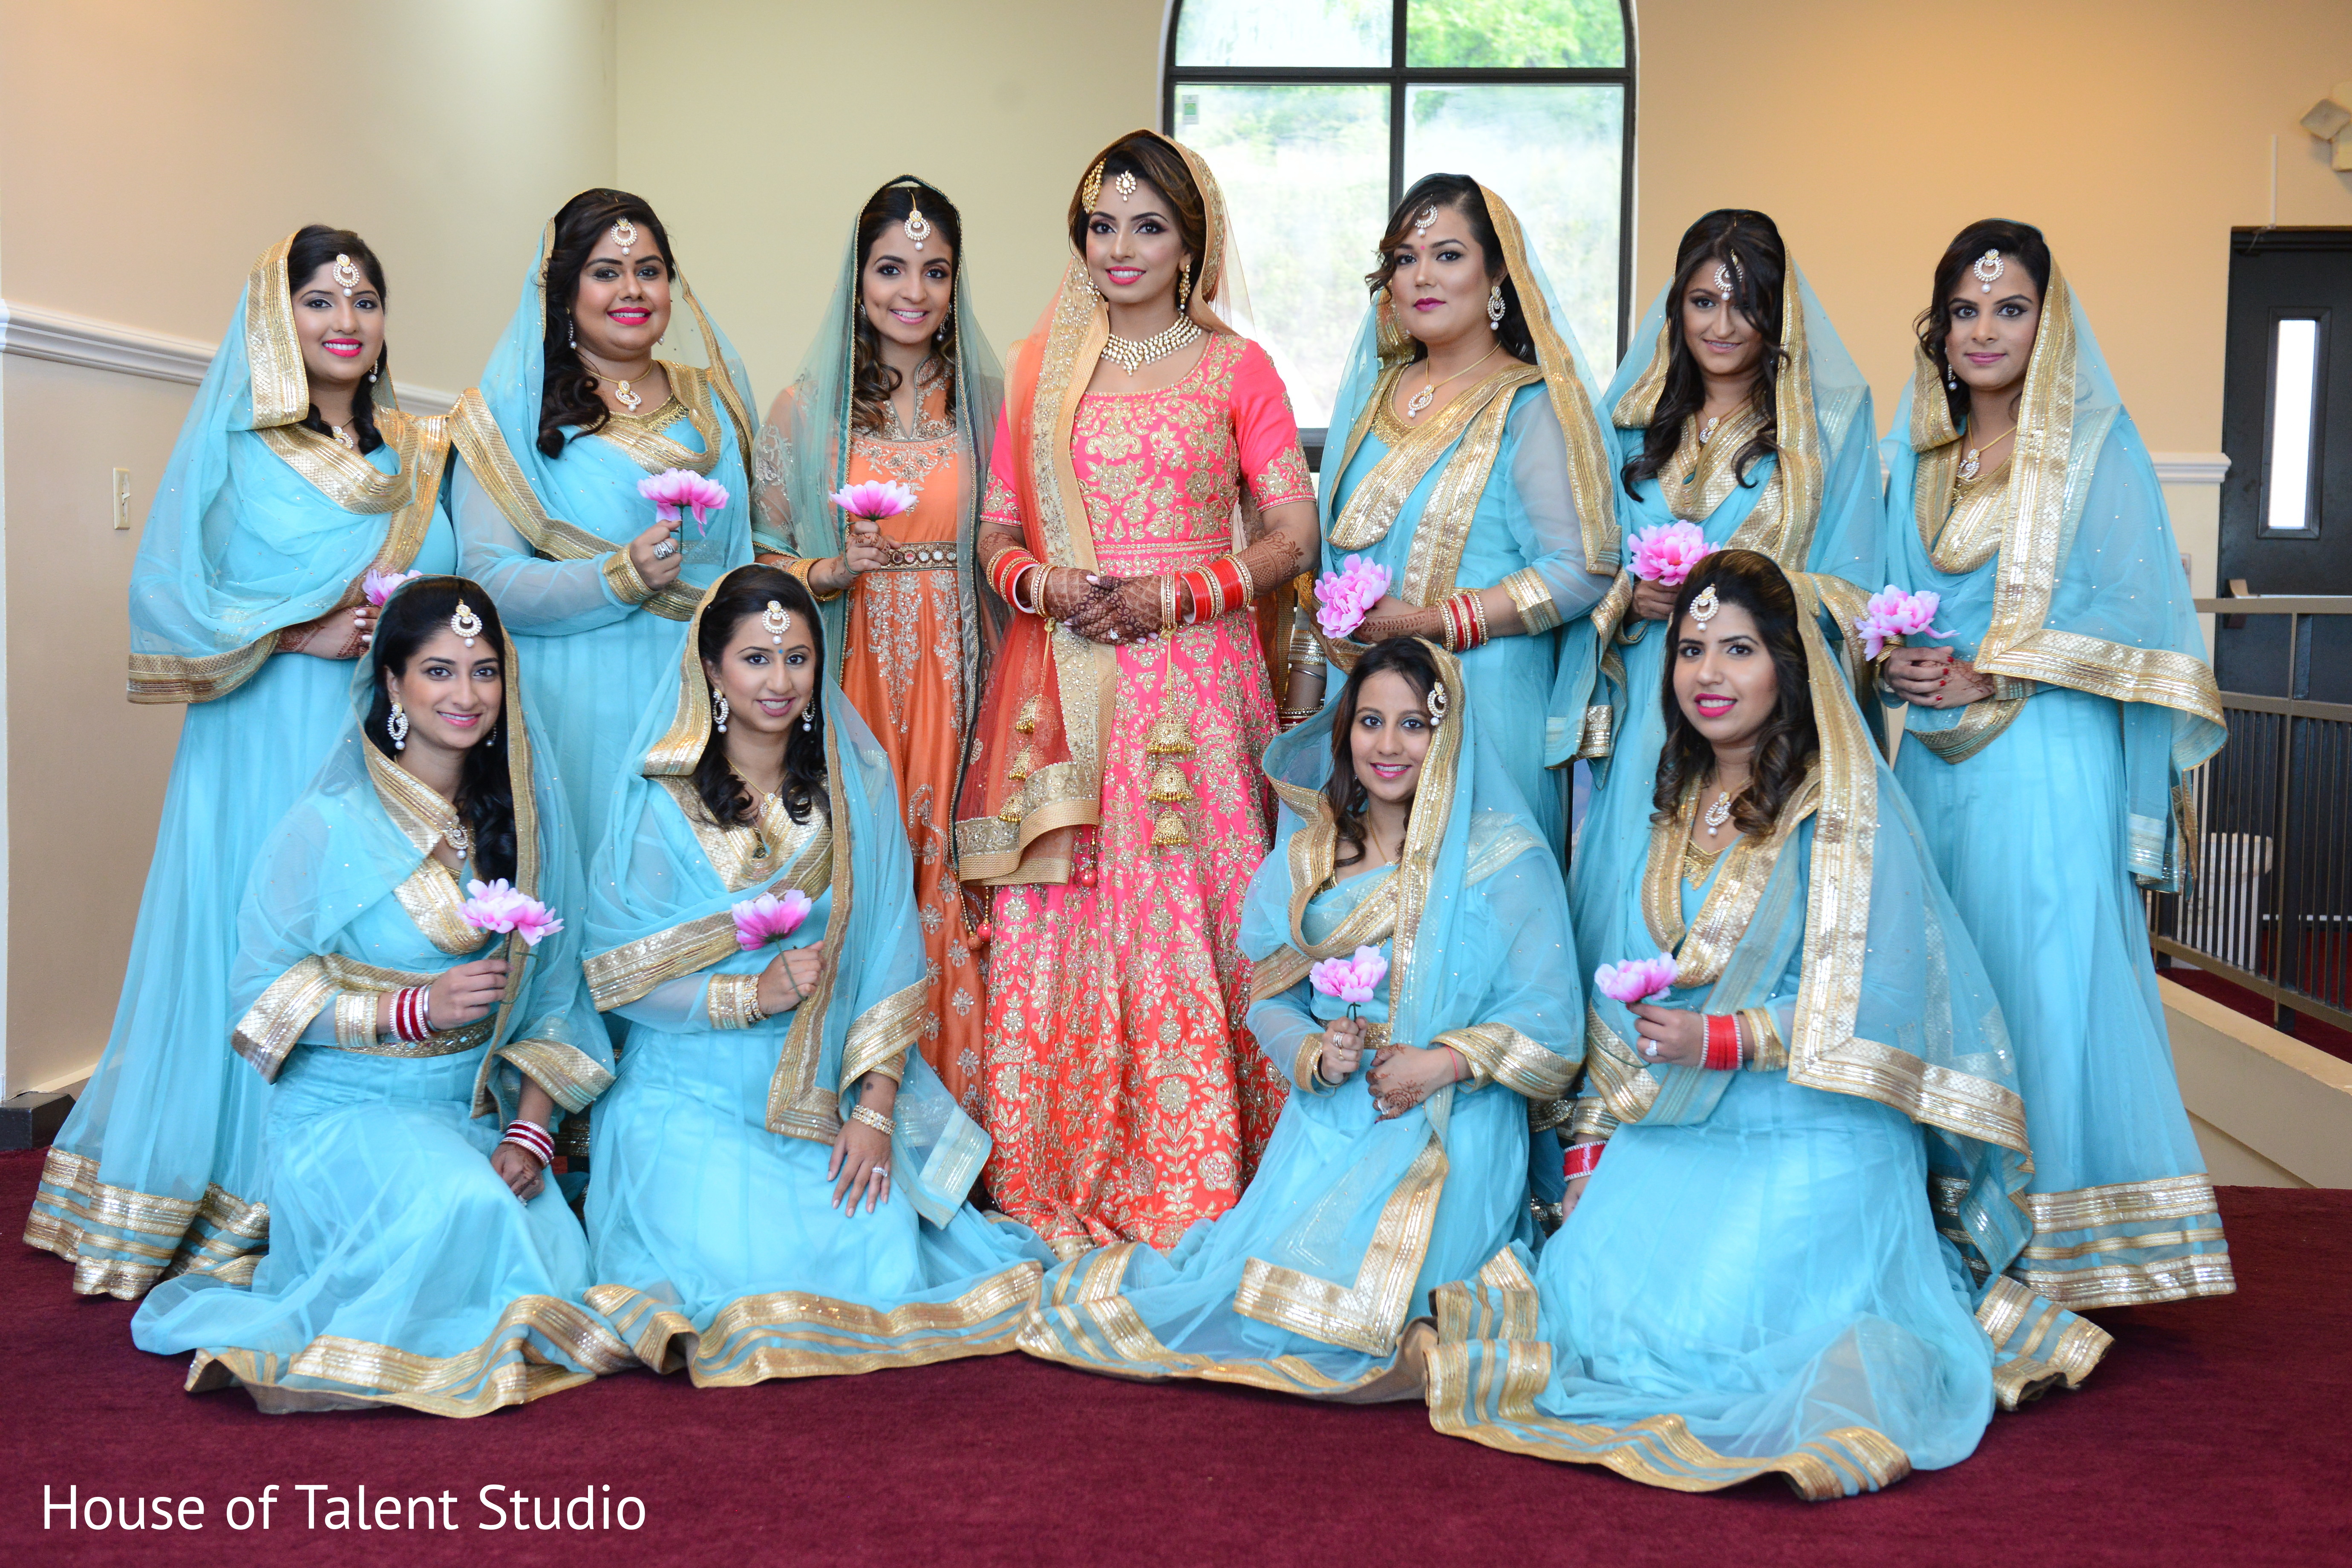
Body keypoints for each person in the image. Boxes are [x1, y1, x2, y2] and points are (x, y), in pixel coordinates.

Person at [1426, 551, 2099, 1497]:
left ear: (1788, 664)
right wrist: (1590, 1162)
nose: (1708, 673)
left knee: (1734, 1334)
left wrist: (1725, 1039)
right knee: (1595, 1315)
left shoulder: (1843, 808)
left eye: (1738, 648)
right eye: (1690, 647)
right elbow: (1619, 996)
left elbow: (1878, 991)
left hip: (1813, 1128)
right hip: (1678, 1127)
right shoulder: (1664, 805)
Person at [30, 227, 458, 1298]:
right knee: (262, 926)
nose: (346, 321)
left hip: (390, 740)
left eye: (366, 299)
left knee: (371, 927)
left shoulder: (418, 452)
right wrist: (290, 631)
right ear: (279, 320)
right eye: (320, 301)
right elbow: (171, 597)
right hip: (266, 727)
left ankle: (358, 1171)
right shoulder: (243, 447)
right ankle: (237, 1184)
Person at [1021, 638, 1580, 1398]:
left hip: (1457, 1118)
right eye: (1371, 722)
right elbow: (1269, 998)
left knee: (1369, 1296)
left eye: (1414, 725)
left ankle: (1422, 1342)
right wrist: (1316, 1053)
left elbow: (1551, 1027)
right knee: (1262, 1306)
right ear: (1344, 731)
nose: (1388, 745)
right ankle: (1412, 1345)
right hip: (1332, 1116)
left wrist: (1441, 1062)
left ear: (1447, 735)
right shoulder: (1312, 858)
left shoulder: (1502, 858)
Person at [130, 579, 626, 1414]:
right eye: (438, 671)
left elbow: (556, 991)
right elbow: (258, 1005)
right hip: (341, 1118)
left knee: (556, 1254)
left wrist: (533, 1131)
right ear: (393, 684)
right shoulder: (328, 825)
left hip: (464, 1114)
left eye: (483, 671)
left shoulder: (523, 822)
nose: (465, 695)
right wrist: (409, 1010)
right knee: (467, 1215)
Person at [953, 130, 1318, 1257]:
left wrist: (1181, 594)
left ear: (1190, 243)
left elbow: (1292, 530)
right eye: (1102, 226)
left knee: (1186, 914)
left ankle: (1200, 1167)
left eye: (1148, 226)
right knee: (1059, 912)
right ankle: (1051, 1165)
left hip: (1194, 685)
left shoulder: (1236, 368)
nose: (1121, 249)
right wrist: (1045, 582)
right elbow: (997, 529)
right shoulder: (1041, 367)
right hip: (1063, 675)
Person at [578, 566, 1050, 1385]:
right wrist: (745, 995)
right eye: (756, 659)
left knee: (873, 1249)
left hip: (818, 1098)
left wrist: (873, 1111)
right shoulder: (663, 803)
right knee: (724, 1272)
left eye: (798, 658)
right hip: (685, 1098)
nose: (781, 681)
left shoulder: (849, 789)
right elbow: (620, 980)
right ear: (713, 669)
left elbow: (891, 958)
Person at [1878, 220, 2231, 1307]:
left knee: (2038, 976)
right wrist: (1897, 659)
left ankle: (2057, 1251)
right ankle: (1957, 1232)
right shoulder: (1924, 456)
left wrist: (1997, 671)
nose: (1985, 330)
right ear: (1939, 330)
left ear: (2049, 322)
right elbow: (1889, 594)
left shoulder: (2092, 451)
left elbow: (2138, 621)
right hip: (1934, 767)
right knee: (1951, 975)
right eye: (1966, 311)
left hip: (2047, 760)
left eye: (2012, 308)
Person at [1551, 210, 1880, 1001]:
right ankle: (1614, 1104)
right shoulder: (1627, 430)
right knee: (1633, 885)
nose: (1723, 325)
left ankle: (1735, 1057)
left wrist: (1749, 595)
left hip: (1767, 712)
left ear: (1779, 314)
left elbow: (1858, 589)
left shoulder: (1827, 432)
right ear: (1676, 310)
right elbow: (1583, 572)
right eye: (1703, 302)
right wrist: (1635, 600)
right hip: (1649, 710)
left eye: (1747, 304)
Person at [753, 177, 1005, 1113]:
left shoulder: (986, 406)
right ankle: (849, 1097)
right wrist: (831, 570)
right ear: (858, 280)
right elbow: (764, 559)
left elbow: (1016, 538)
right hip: (853, 663)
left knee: (947, 860)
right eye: (892, 268)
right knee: (866, 857)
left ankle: (960, 1112)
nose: (914, 291)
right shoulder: (804, 408)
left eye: (935, 272)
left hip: (961, 666)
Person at [1312, 175, 1619, 854]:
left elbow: (1582, 569)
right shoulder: (1375, 395)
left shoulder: (1530, 404)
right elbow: (1329, 559)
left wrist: (1429, 622)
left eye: (1448, 255)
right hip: (1367, 704)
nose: (1423, 276)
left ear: (1497, 273)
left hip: (1484, 699)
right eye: (1405, 258)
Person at [450, 188, 756, 857]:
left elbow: (745, 560)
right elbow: (485, 580)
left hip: (701, 697)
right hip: (573, 706)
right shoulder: (508, 410)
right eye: (605, 271)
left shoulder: (716, 405)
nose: (632, 289)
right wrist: (617, 576)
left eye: (649, 270)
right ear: (564, 291)